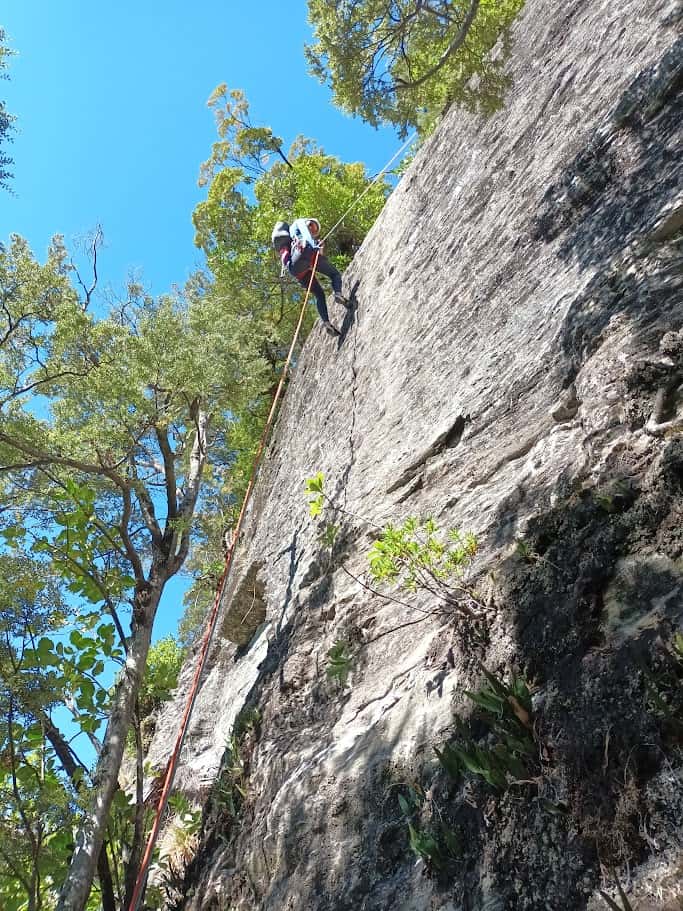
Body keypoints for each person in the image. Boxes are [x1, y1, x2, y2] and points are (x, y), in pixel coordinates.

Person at [279, 217, 350, 337]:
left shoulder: (291, 240)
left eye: (314, 231)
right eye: (312, 227)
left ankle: (327, 324)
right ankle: (338, 294)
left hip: (296, 268)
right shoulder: (299, 223)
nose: (312, 231)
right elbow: (306, 237)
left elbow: (317, 257)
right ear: (309, 222)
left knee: (319, 294)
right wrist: (312, 244)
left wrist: (319, 248)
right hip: (305, 252)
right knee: (335, 274)